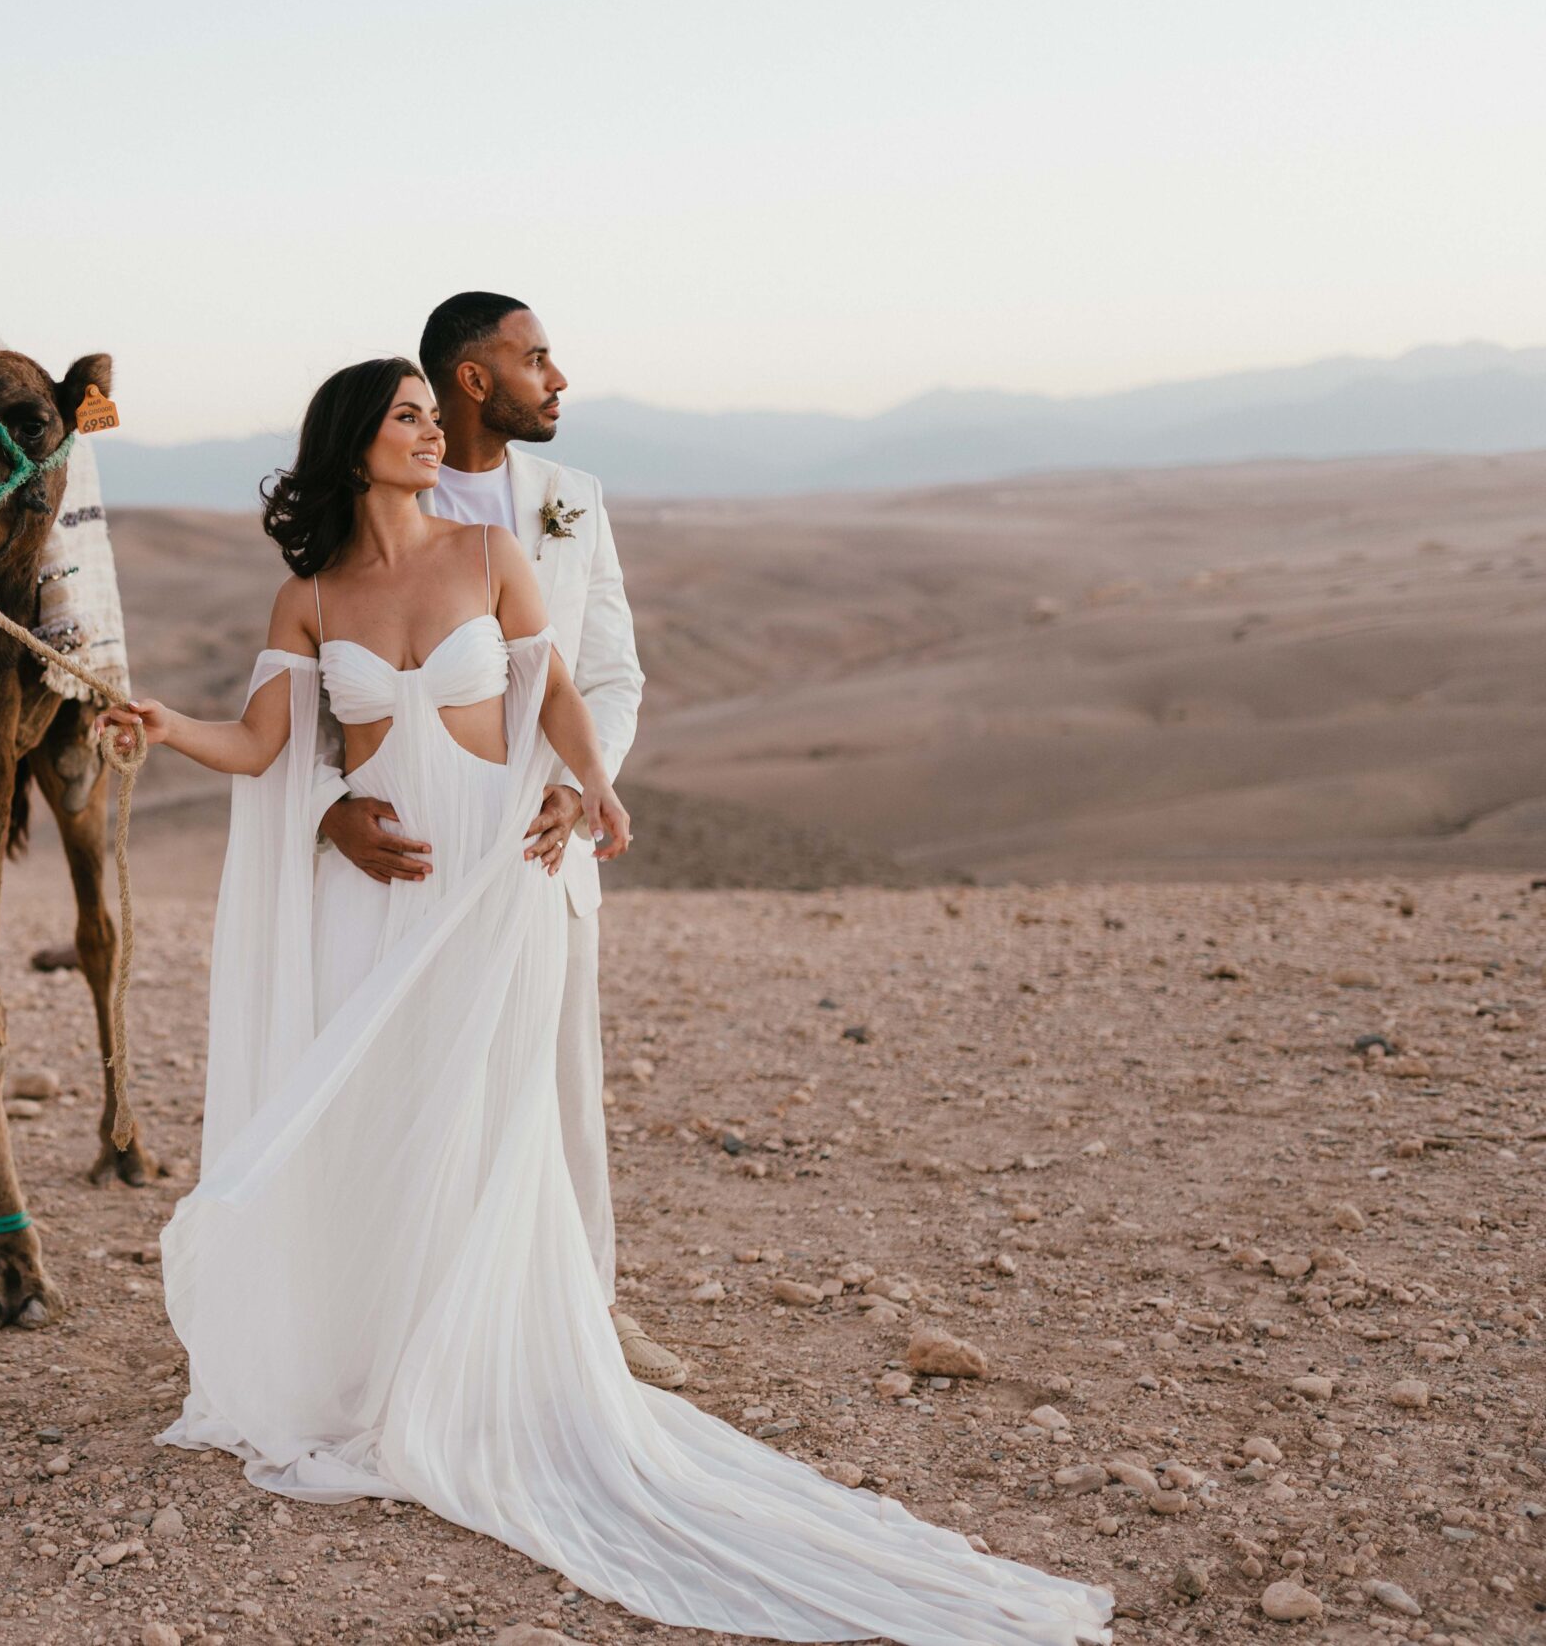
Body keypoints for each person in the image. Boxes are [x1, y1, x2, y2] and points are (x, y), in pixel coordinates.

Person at [99, 359, 1113, 1643]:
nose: (429, 431)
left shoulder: (489, 553)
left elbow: (560, 687)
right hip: (378, 887)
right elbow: (261, 744)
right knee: (372, 1115)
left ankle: (470, 1369)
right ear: (356, 442)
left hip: (490, 875)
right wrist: (163, 723)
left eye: (430, 411)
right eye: (407, 416)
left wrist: (594, 783)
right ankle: (368, 1363)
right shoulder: (306, 595)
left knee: (484, 1116)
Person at [315, 291, 679, 1387]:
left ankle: (586, 1317)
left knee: (555, 1085)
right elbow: (313, 702)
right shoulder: (357, 512)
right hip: (408, 858)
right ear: (473, 378)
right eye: (536, 359)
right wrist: (325, 809)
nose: (557, 378)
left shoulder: (572, 501)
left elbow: (605, 671)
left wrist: (583, 780)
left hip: (535, 852)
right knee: (405, 1085)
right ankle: (407, 1324)